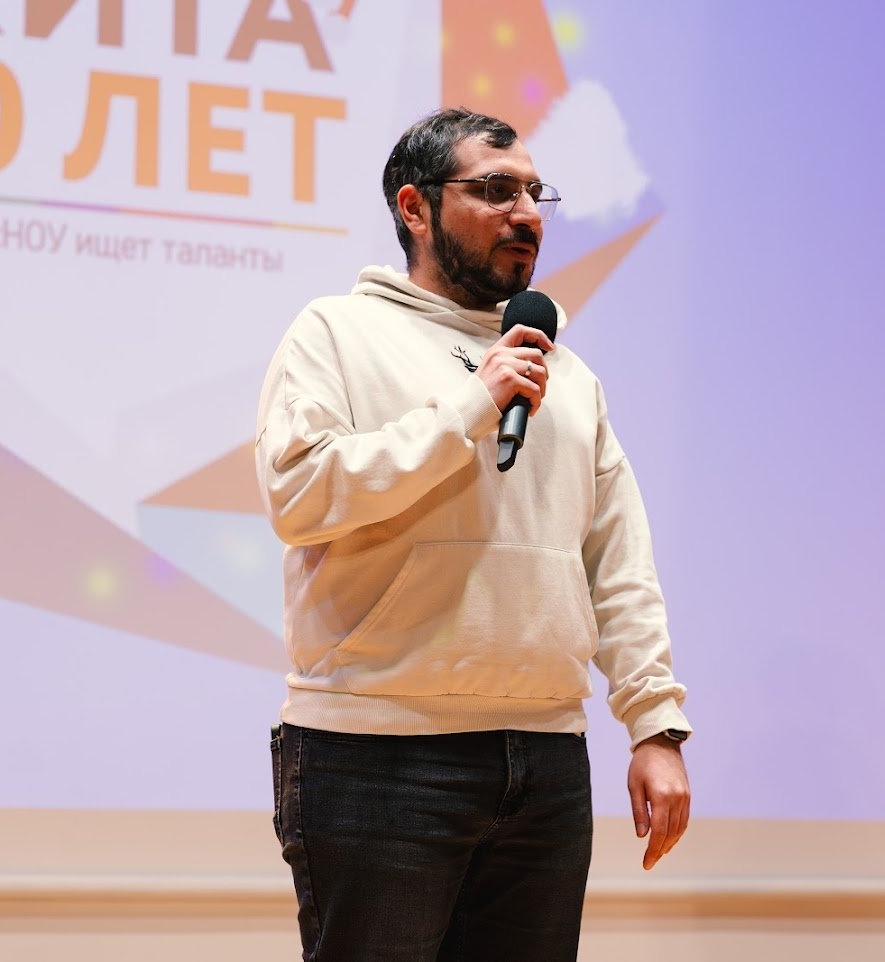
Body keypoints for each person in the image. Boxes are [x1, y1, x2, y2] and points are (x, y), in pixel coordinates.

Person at [255, 107, 691, 962]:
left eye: (533, 193)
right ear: (414, 208)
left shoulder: (565, 374)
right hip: (377, 753)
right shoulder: (337, 333)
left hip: (545, 758)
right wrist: (470, 405)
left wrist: (653, 727)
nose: (524, 213)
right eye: (494, 190)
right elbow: (301, 495)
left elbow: (615, 561)